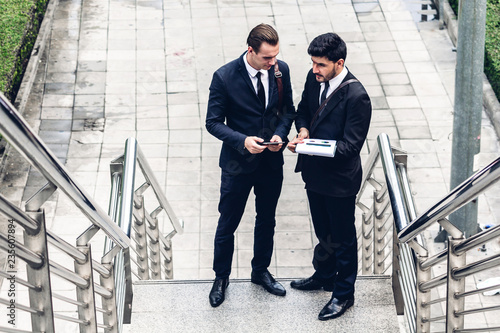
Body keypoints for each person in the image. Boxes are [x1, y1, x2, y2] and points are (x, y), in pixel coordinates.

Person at [205, 23, 295, 307]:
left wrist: (281, 133)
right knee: (227, 223)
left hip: (270, 161)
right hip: (237, 163)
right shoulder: (224, 76)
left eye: (276, 56)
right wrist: (242, 140)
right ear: (251, 51)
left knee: (266, 219)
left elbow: (288, 110)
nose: (273, 62)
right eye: (267, 58)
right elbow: (213, 122)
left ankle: (260, 271)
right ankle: (221, 278)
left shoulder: (280, 71)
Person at [287, 33, 372, 320]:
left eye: (321, 65)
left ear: (339, 63)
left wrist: (309, 146)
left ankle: (343, 294)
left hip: (340, 181)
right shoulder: (315, 80)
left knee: (343, 238)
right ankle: (323, 275)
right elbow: (303, 112)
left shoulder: (357, 96)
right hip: (314, 174)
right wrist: (303, 131)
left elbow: (350, 147)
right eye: (313, 63)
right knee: (323, 231)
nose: (315, 70)